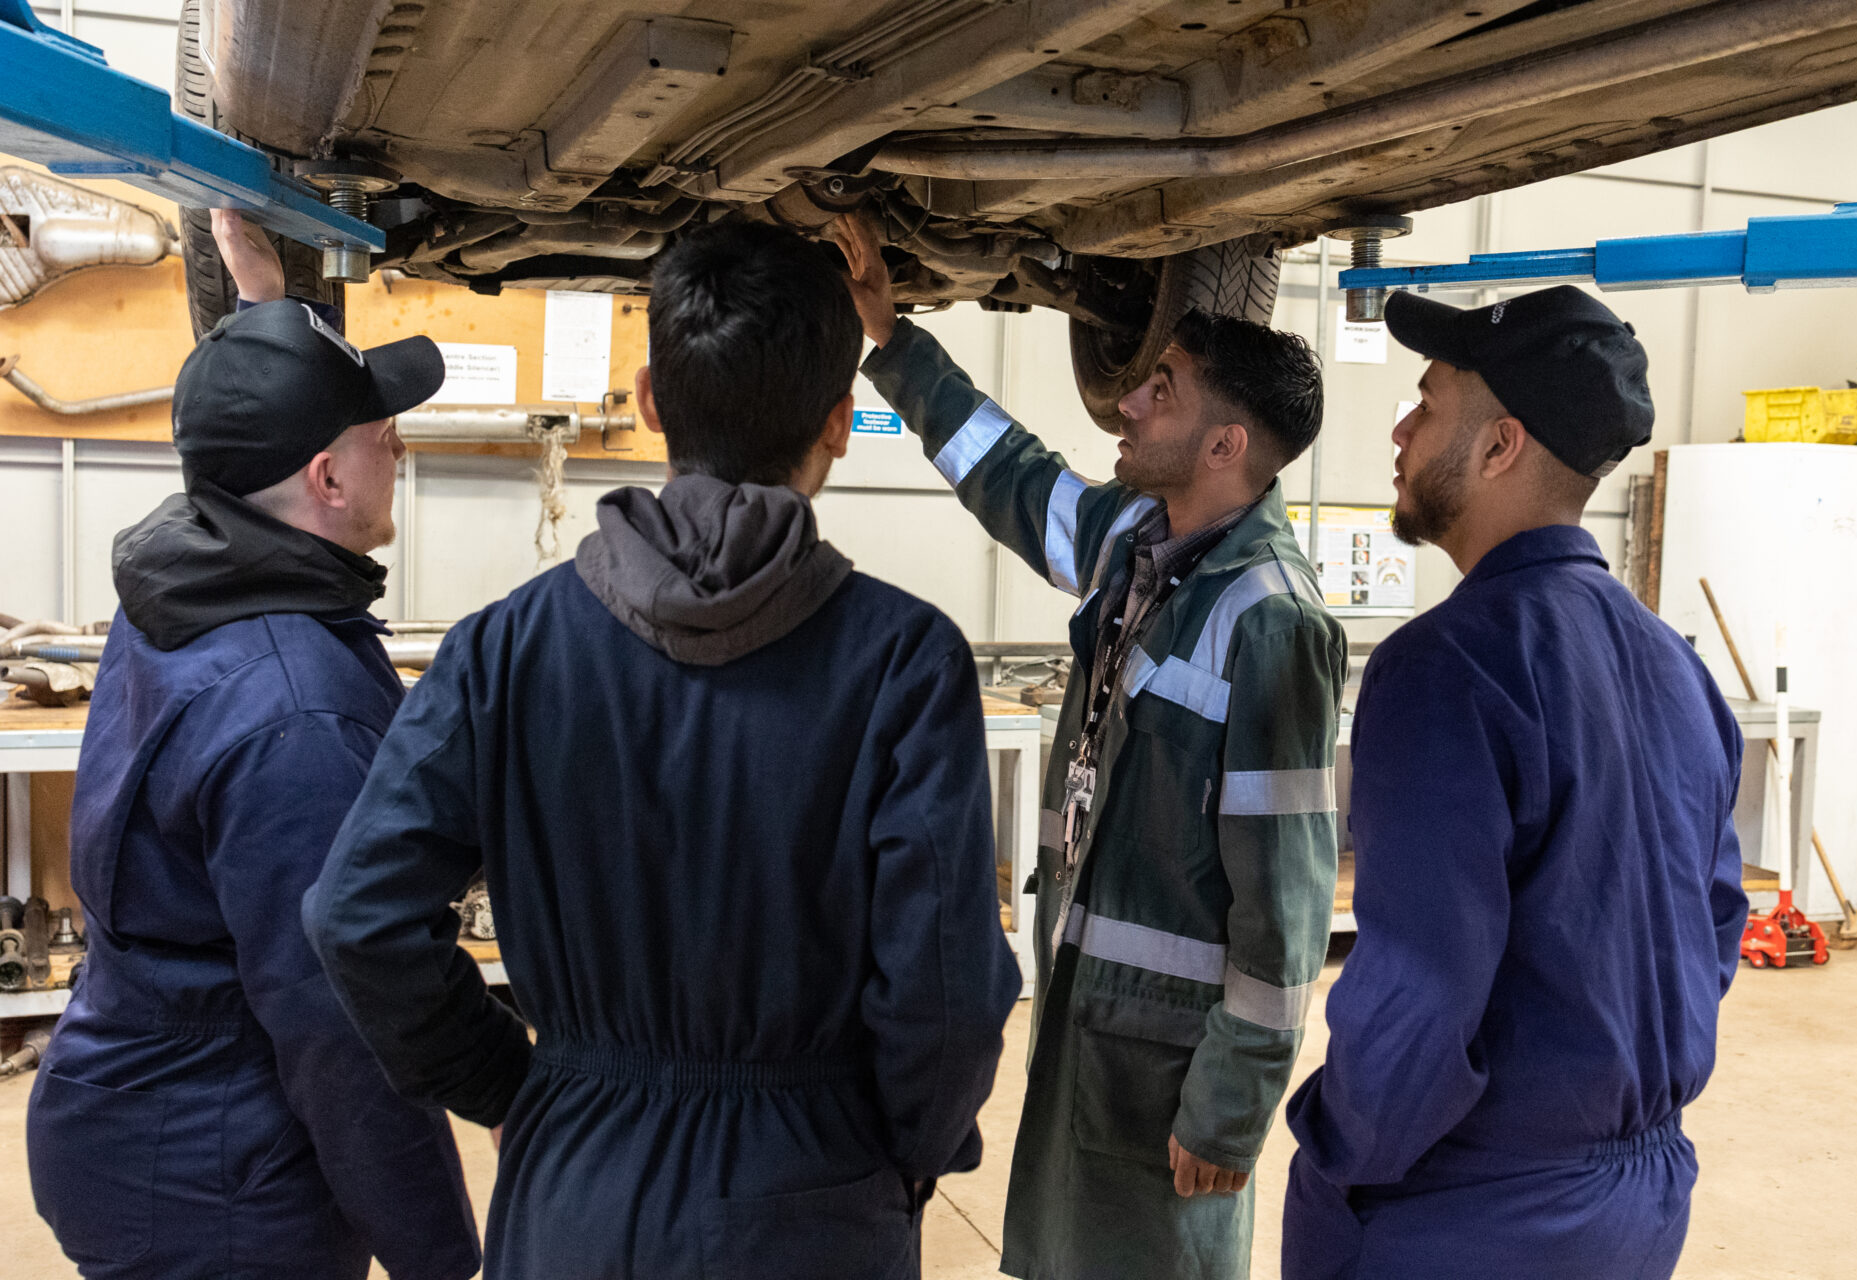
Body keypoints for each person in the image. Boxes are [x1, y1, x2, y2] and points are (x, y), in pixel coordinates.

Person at [301, 220, 1020, 1280]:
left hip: (573, 1190)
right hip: (815, 1201)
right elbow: (948, 996)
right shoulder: (904, 660)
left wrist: (522, 1084)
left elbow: (355, 915)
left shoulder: (505, 645)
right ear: (838, 424)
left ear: (648, 399)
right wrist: (902, 1149)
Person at [835, 214, 1345, 1280]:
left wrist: (1232, 1103)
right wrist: (893, 339)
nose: (1129, 396)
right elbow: (1007, 471)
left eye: (1163, 382)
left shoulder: (1272, 620)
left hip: (1173, 1081)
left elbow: (1286, 907)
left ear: (1225, 444)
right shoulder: (1136, 541)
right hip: (1098, 1031)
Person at [26, 210, 479, 1280]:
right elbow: (343, 1031)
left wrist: (268, 313)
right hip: (213, 1174)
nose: (399, 445)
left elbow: (237, 422)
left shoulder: (190, 563)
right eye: (380, 429)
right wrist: (443, 1255)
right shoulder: (294, 718)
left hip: (135, 1101)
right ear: (324, 480)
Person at [1283, 286, 1748, 1279]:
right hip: (1641, 1204)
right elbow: (1712, 925)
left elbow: (1421, 982)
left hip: (1468, 1212)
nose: (1401, 429)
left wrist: (1339, 1147)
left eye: (1429, 401)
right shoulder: (1681, 668)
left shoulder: (1444, 667)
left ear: (1500, 446)